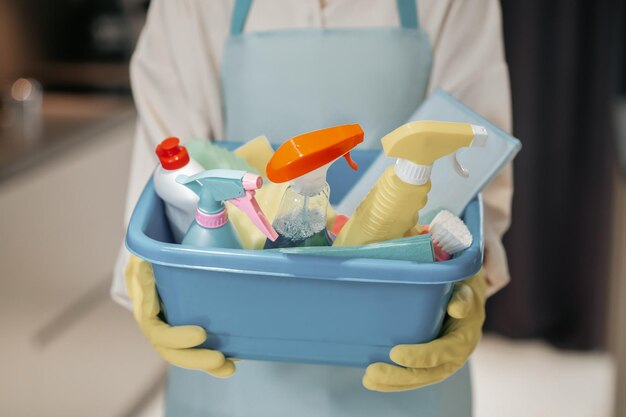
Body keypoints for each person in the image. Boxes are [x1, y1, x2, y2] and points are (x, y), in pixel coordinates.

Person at [113, 0, 513, 415]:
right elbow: (170, 159)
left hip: (401, 355)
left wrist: (470, 277)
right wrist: (151, 270)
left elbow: (478, 148)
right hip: (234, 362)